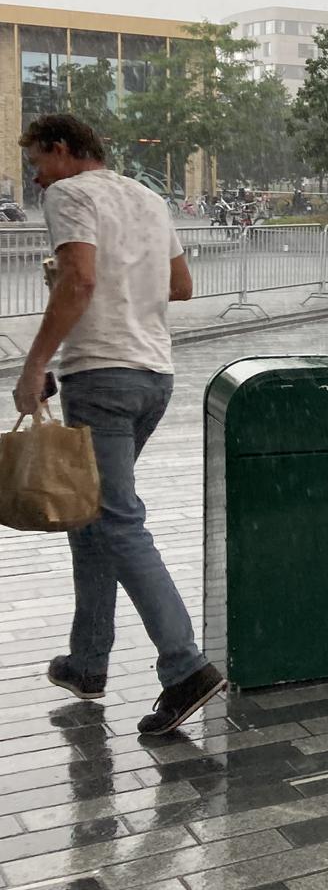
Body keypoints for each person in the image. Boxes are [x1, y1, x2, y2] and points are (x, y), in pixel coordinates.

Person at [14, 114, 227, 735]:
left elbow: (79, 280)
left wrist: (35, 366)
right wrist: (126, 287)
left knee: (118, 521)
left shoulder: (68, 194)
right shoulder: (146, 196)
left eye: (36, 161)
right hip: (153, 377)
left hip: (101, 379)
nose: (34, 176)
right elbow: (181, 285)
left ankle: (185, 668)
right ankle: (87, 661)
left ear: (61, 150)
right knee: (93, 515)